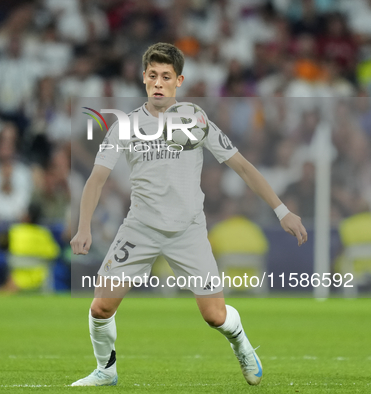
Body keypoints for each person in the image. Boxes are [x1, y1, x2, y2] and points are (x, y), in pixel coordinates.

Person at [70, 43, 308, 387]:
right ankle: (106, 370)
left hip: (188, 231)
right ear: (143, 78)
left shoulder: (196, 120)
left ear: (178, 80)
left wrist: (282, 211)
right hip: (140, 229)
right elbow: (96, 179)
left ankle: (241, 342)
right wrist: (84, 227)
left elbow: (242, 166)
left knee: (214, 316)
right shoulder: (126, 125)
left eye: (166, 76)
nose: (158, 82)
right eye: (152, 75)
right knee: (100, 308)